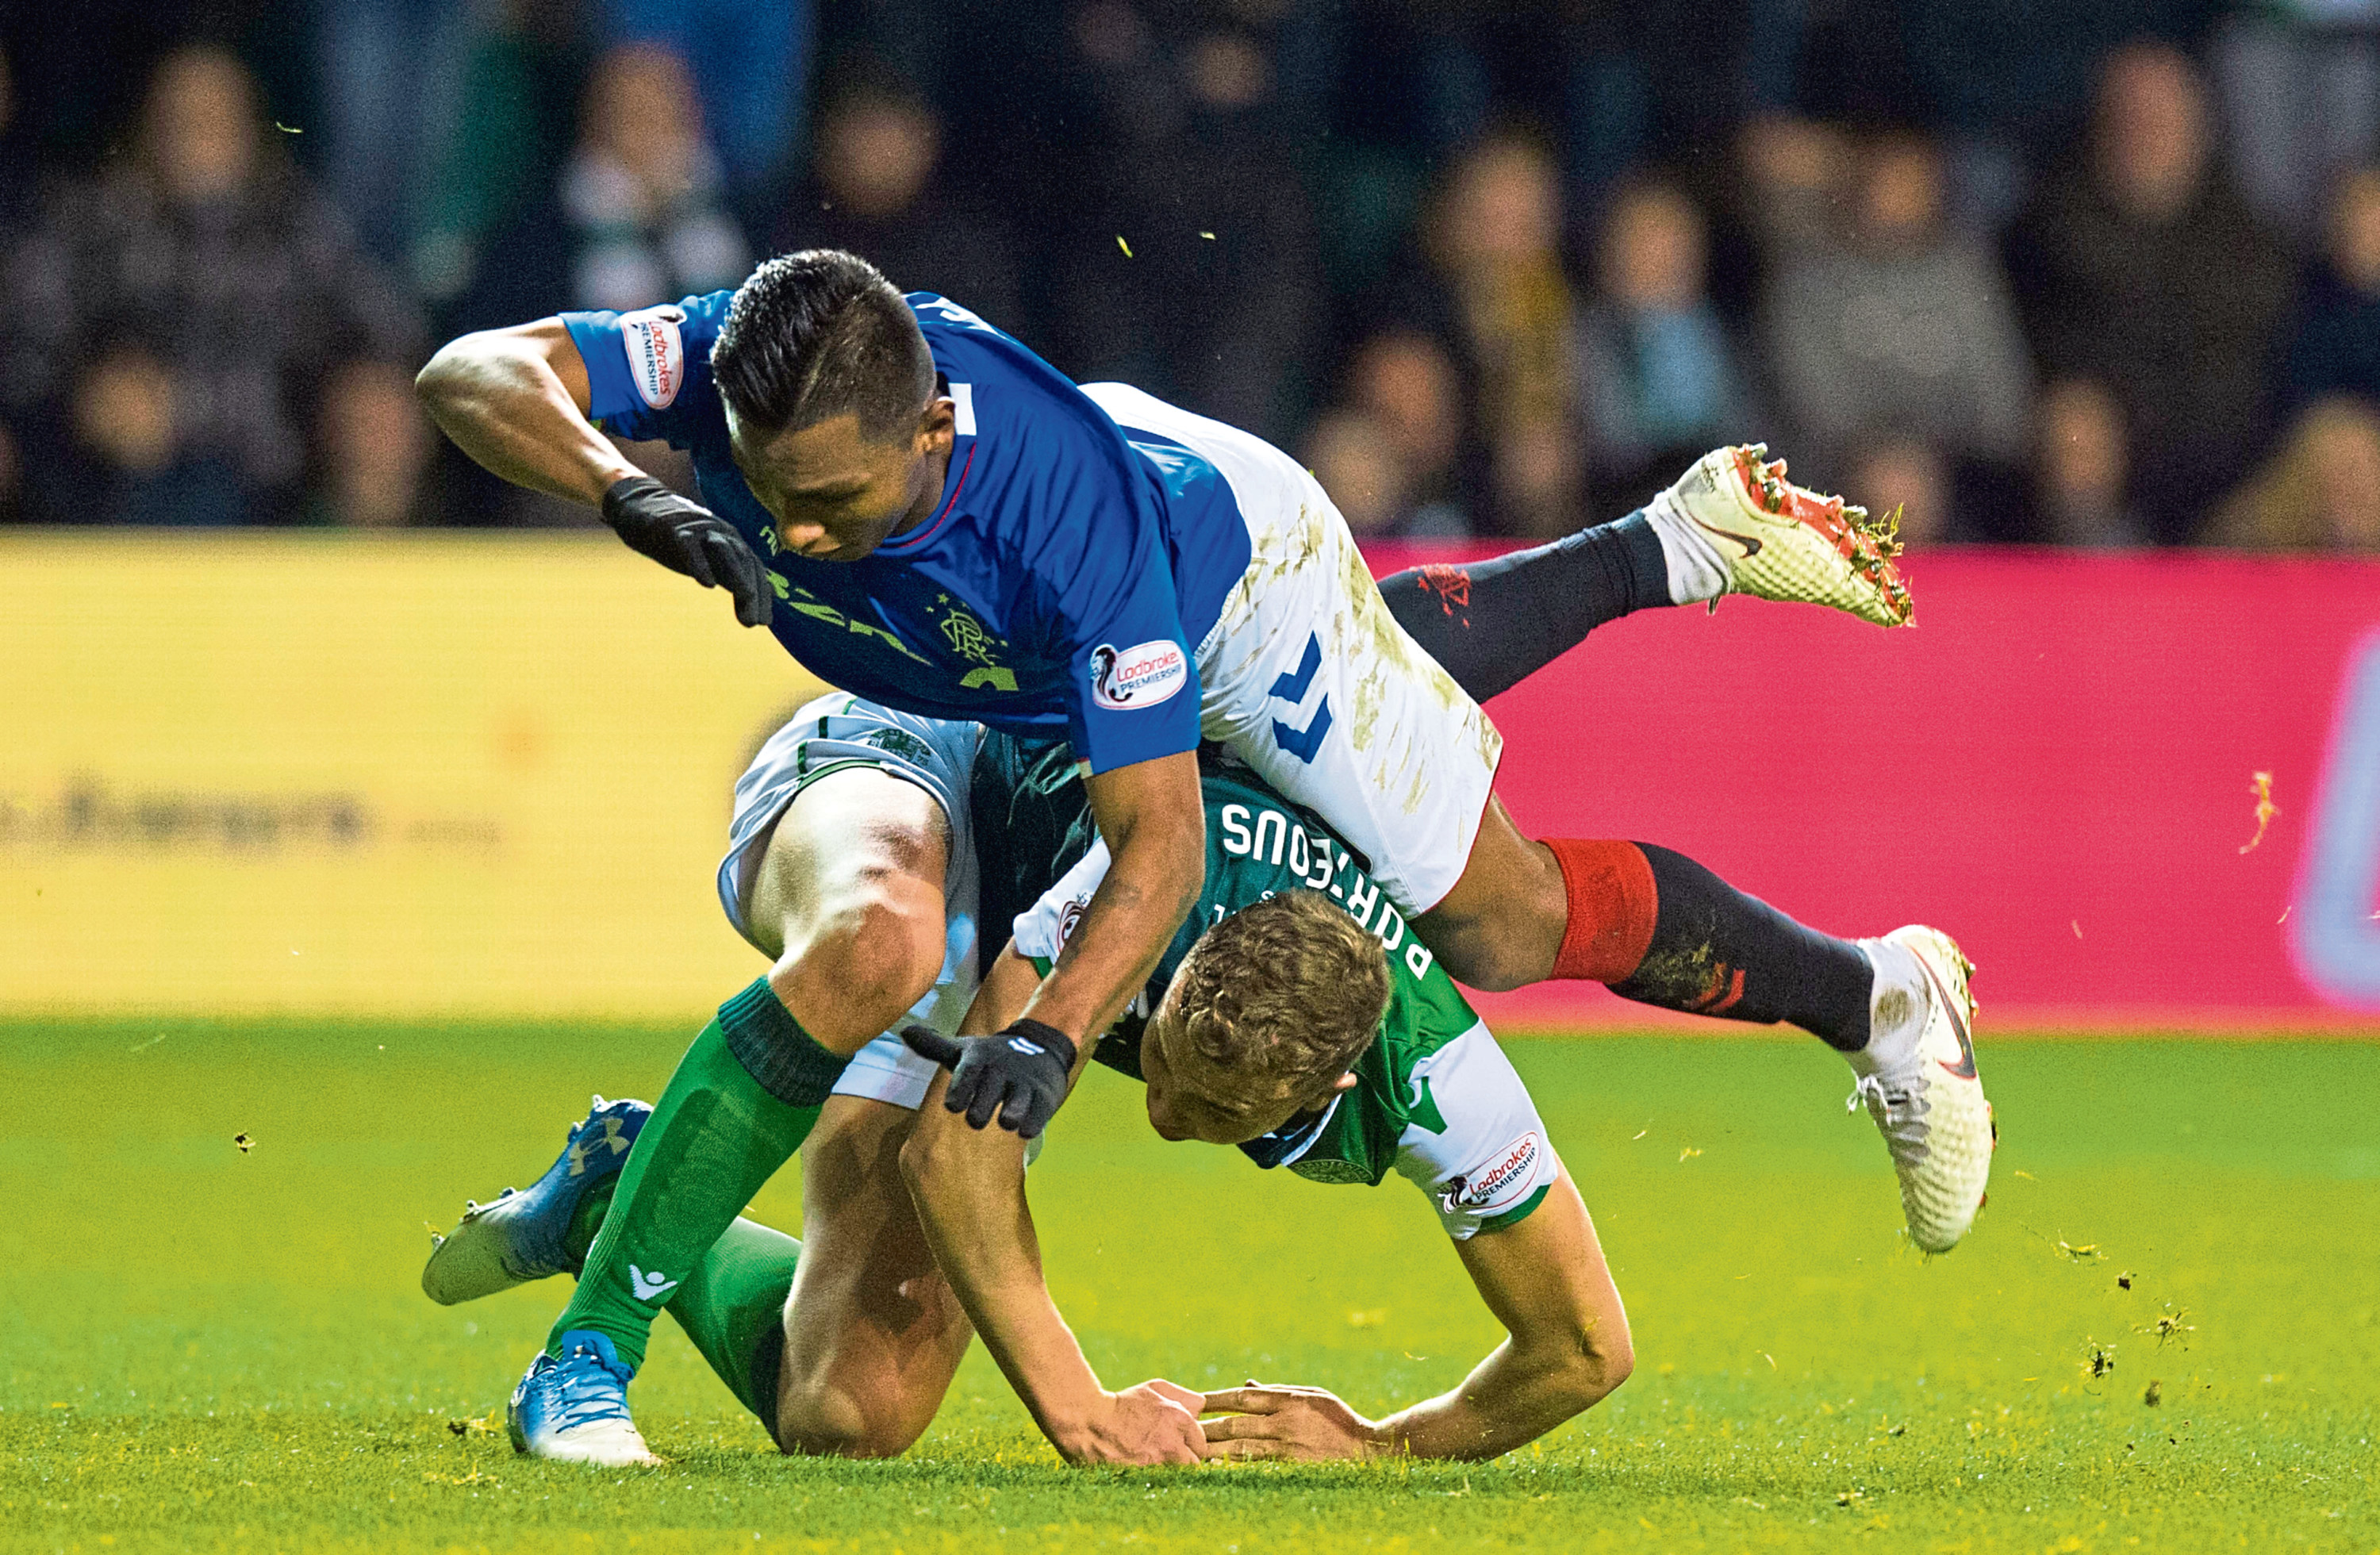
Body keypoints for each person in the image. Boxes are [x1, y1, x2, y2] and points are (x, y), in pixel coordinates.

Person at [413, 250, 1980, 1454]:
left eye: (827, 506)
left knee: (1497, 922)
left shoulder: (1075, 557)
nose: (795, 536)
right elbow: (474, 368)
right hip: (1017, 678)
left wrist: (1041, 1033)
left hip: (1237, 587)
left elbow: (1155, 838)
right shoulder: (791, 364)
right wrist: (623, 485)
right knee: (855, 1379)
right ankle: (1673, 542)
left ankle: (1874, 991)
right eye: (775, 497)